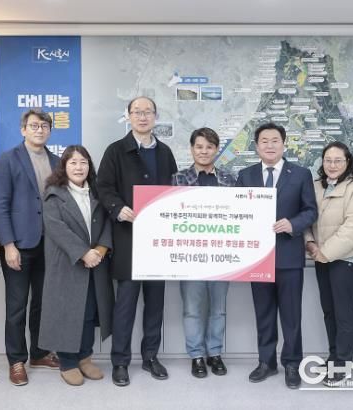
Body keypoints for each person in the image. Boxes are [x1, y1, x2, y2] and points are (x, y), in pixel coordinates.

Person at [97, 96, 178, 387]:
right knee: (126, 305)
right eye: (137, 112)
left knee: (155, 304)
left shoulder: (165, 152)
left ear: (155, 116)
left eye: (147, 112)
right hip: (128, 240)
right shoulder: (115, 150)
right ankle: (120, 361)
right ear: (128, 116)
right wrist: (118, 208)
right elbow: (103, 187)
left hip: (159, 242)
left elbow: (174, 190)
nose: (142, 117)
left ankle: (150, 357)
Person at [236, 122, 317, 389]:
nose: (269, 145)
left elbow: (310, 211)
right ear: (256, 145)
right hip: (257, 257)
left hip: (288, 256)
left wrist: (293, 224)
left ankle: (292, 364)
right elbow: (236, 213)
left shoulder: (301, 174)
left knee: (291, 316)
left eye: (275, 140)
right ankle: (266, 362)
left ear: (283, 144)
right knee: (264, 313)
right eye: (264, 141)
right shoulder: (245, 175)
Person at [0, 109, 60, 386]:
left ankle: (39, 353)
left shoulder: (57, 161)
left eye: (44, 126)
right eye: (34, 125)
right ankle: (16, 360)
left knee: (42, 303)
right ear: (23, 130)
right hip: (19, 245)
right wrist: (8, 245)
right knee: (17, 306)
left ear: (50, 131)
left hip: (49, 245)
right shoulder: (7, 160)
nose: (39, 130)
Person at [38, 145, 115, 386]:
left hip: (95, 264)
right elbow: (56, 228)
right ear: (64, 166)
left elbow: (107, 223)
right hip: (67, 264)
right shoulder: (54, 194)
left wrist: (100, 249)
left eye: (83, 162)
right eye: (73, 162)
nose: (79, 167)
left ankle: (85, 357)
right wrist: (83, 253)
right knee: (68, 313)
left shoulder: (96, 192)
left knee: (89, 313)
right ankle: (68, 362)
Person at [171, 127, 236, 378]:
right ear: (191, 149)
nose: (204, 151)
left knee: (218, 309)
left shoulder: (230, 179)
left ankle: (215, 353)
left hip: (222, 256)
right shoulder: (178, 179)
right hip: (189, 257)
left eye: (209, 147)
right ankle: (196, 355)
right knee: (192, 309)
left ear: (216, 149)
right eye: (199, 147)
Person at [303, 141, 353, 387]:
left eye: (338, 160)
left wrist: (325, 252)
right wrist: (310, 244)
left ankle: (343, 364)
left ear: (348, 162)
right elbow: (306, 218)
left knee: (343, 313)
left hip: (346, 259)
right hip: (321, 257)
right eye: (328, 160)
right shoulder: (315, 187)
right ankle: (333, 358)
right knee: (329, 311)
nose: (332, 165)